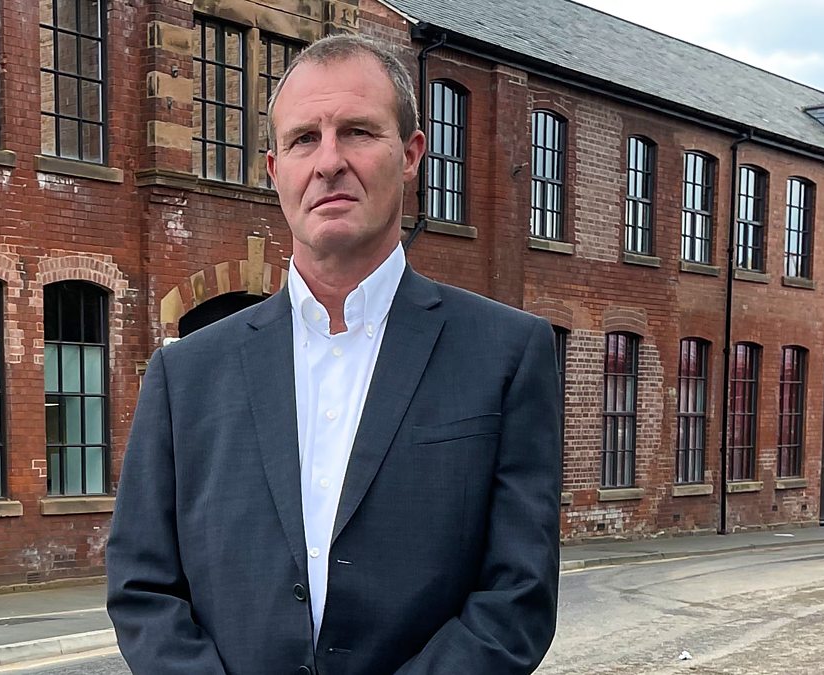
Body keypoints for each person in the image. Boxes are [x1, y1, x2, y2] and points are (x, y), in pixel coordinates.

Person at [107, 33, 561, 674]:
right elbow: (142, 587)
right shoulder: (185, 376)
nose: (328, 162)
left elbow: (519, 596)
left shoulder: (506, 354)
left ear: (411, 154)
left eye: (357, 132)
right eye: (303, 139)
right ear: (275, 170)